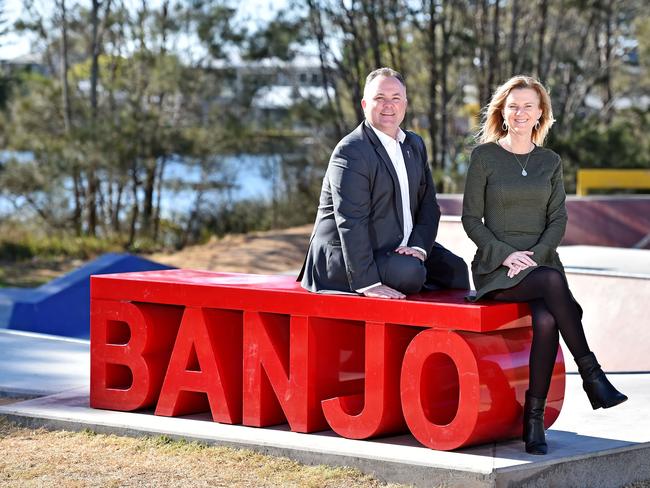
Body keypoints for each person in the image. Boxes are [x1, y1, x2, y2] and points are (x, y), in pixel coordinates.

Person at [462, 75, 627, 455]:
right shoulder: (484, 157)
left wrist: (534, 256)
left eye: (529, 106)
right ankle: (592, 375)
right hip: (496, 267)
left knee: (548, 317)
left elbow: (558, 220)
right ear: (503, 111)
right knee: (553, 285)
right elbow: (472, 220)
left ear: (540, 114)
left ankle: (533, 422)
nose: (521, 113)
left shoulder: (549, 161)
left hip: (542, 264)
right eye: (514, 105)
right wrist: (505, 253)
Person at [298, 67, 469, 298]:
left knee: (456, 270)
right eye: (379, 98)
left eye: (395, 98)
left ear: (405, 104)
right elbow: (351, 220)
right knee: (411, 274)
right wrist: (367, 282)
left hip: (397, 247)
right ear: (364, 105)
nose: (389, 105)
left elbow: (429, 205)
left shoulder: (414, 144)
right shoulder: (351, 151)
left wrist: (418, 248)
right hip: (346, 258)